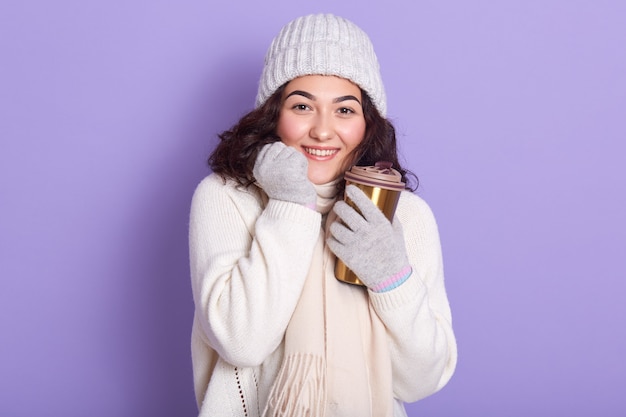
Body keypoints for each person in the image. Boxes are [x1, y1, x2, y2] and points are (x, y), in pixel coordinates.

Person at [188, 13, 457, 417]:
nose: (323, 131)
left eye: (345, 110)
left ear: (368, 124)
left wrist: (391, 277)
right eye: (302, 106)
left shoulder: (407, 217)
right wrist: (290, 206)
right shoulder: (226, 197)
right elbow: (242, 342)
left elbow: (421, 381)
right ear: (273, 114)